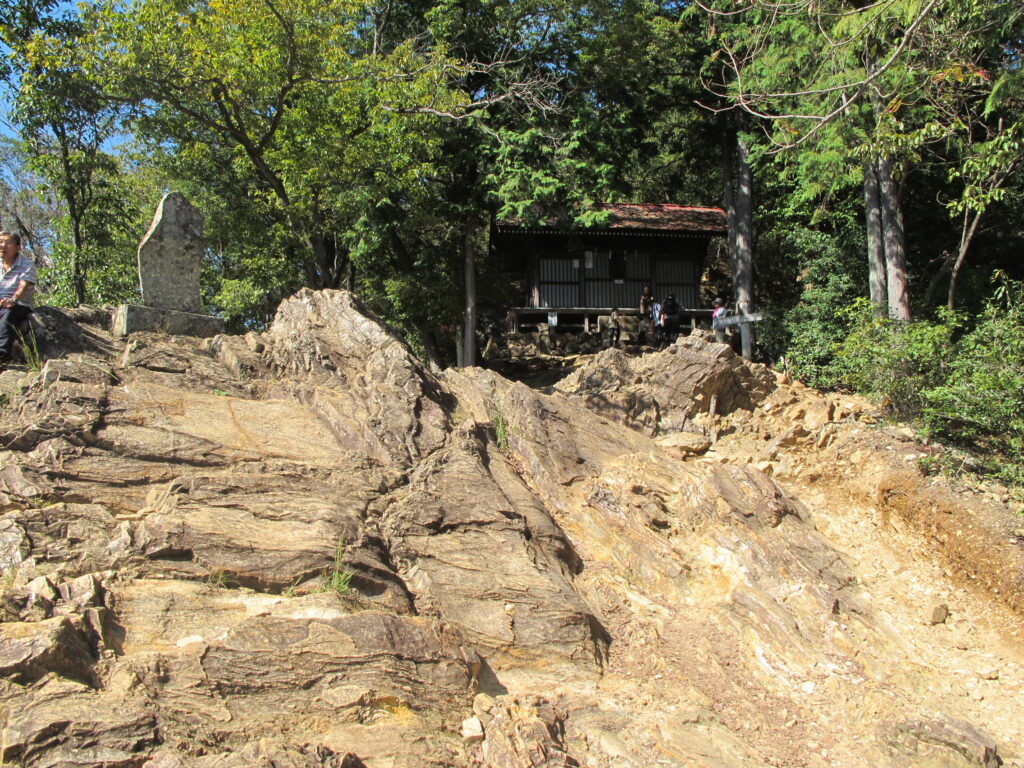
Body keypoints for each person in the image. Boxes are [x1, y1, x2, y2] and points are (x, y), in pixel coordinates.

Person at [0, 232, 37, 367]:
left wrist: (13, 299)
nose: (3, 246)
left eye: (8, 243)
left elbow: (24, 286)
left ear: (18, 247)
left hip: (19, 304)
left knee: (7, 316)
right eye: (0, 242)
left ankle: (2, 358)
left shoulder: (27, 264)